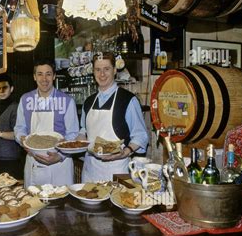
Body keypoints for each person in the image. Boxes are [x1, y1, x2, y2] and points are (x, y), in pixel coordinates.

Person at [77, 52, 148, 182]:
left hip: (117, 170)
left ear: (115, 70)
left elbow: (141, 135)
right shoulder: (88, 102)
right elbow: (83, 131)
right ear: (93, 72)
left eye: (106, 69)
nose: (102, 74)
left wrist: (125, 152)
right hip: (90, 171)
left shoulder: (128, 100)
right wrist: (73, 144)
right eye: (98, 70)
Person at [14, 61, 79, 186]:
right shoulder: (25, 99)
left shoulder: (67, 101)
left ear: (54, 76)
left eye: (48, 74)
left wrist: (60, 155)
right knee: (34, 203)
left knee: (61, 203)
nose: (44, 79)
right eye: (40, 74)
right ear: (34, 77)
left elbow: (73, 134)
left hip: (60, 165)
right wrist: (21, 138)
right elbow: (19, 127)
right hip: (33, 161)